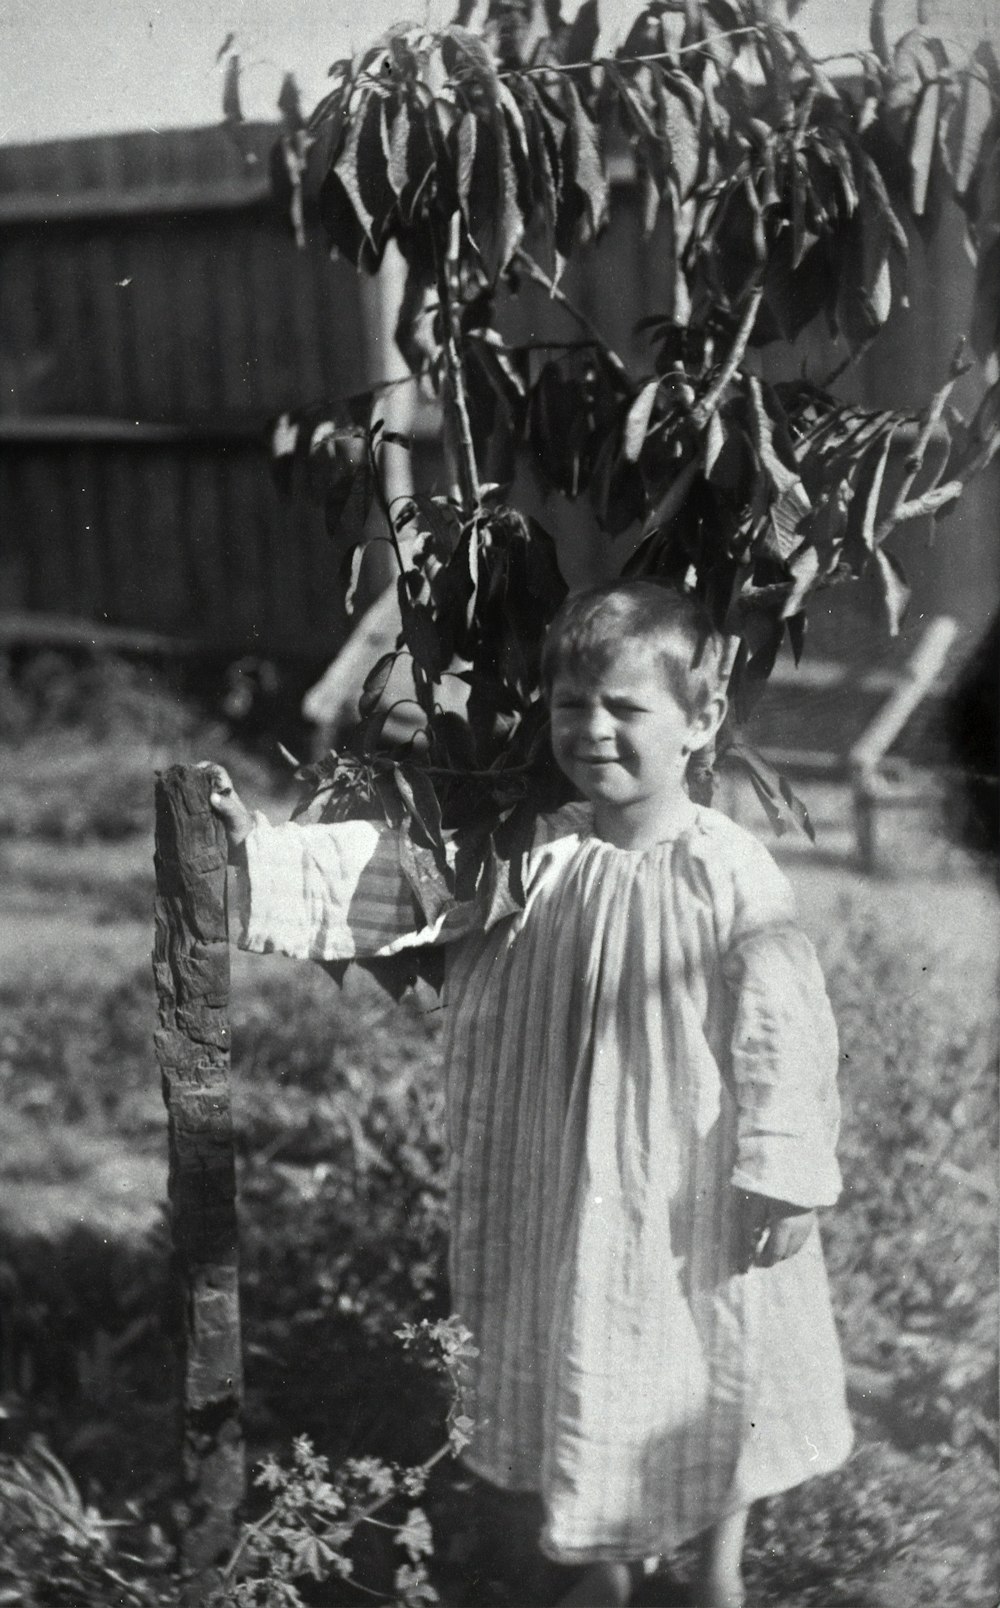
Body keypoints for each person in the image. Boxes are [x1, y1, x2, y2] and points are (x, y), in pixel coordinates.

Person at [206, 580, 852, 1608]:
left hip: (686, 1177)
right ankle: (604, 1565)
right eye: (570, 706)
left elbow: (784, 1023)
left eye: (625, 709)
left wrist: (783, 1169)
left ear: (701, 723)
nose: (592, 730)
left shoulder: (726, 871)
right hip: (566, 1169)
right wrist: (262, 854)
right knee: (591, 1344)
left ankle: (717, 1575)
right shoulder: (534, 847)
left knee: (720, 1354)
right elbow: (400, 883)